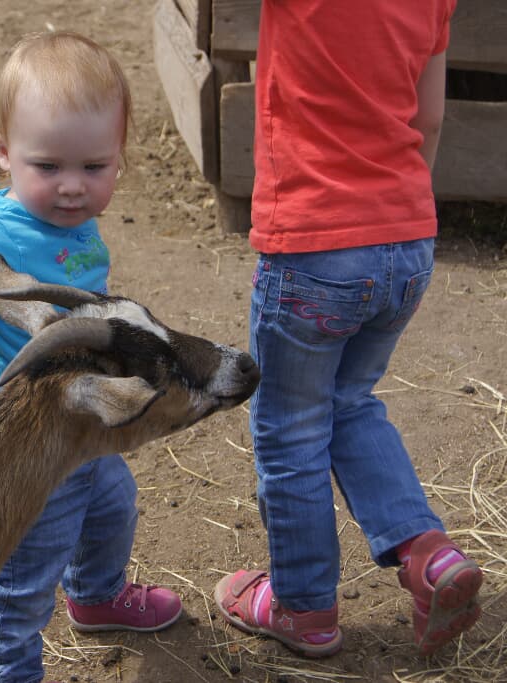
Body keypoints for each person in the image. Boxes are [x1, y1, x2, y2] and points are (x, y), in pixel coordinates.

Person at [213, 0, 483, 658]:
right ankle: (430, 555)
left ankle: (303, 607)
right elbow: (430, 117)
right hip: (407, 239)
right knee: (349, 402)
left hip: (315, 246)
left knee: (291, 429)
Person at [0, 31, 182, 683]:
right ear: (3, 152)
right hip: (16, 448)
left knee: (111, 508)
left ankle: (95, 595)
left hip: (78, 423)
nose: (71, 187)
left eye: (94, 167)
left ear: (119, 156)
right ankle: (7, 669)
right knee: (17, 586)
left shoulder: (71, 221)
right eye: (47, 166)